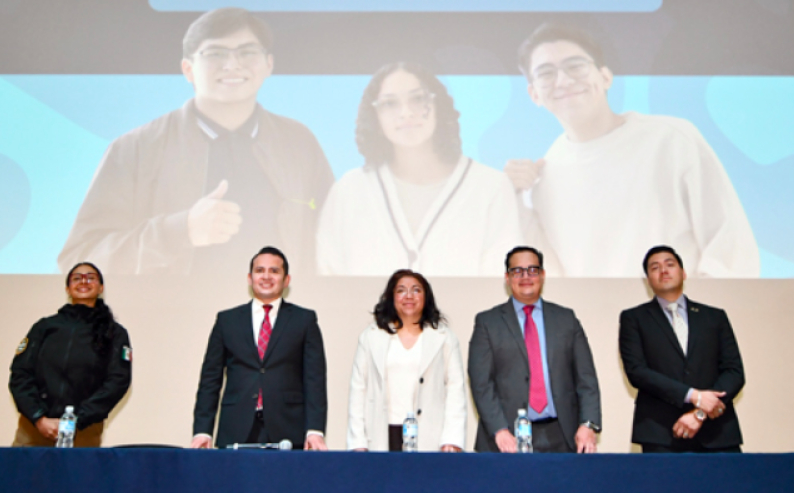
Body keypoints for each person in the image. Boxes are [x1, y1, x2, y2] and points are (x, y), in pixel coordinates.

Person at [58, 8, 334, 278]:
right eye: (215, 53)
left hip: (280, 320)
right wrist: (181, 230)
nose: (233, 65)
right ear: (188, 69)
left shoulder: (299, 143)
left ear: (269, 65)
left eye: (247, 52)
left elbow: (334, 240)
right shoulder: (135, 149)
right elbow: (80, 262)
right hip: (173, 319)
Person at [505, 23, 759, 277]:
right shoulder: (544, 178)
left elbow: (731, 248)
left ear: (605, 77)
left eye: (575, 66)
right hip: (597, 316)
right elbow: (552, 278)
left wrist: (692, 314)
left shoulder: (671, 139)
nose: (564, 80)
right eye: (546, 73)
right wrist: (509, 194)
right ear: (534, 94)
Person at [317, 61, 521, 276]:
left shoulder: (490, 187)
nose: (406, 113)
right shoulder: (349, 191)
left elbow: (500, 282)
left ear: (438, 106)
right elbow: (329, 274)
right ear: (375, 116)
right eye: (389, 104)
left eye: (417, 99)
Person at [191, 246, 327, 450]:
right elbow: (210, 380)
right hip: (236, 427)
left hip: (289, 429)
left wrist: (315, 430)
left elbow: (315, 380)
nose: (266, 276)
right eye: (260, 270)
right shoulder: (227, 321)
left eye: (274, 271)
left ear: (286, 280)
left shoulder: (304, 320)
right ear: (249, 277)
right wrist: (203, 430)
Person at [467, 246, 601, 453]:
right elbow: (481, 383)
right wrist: (499, 430)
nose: (525, 276)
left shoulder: (566, 319)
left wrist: (588, 423)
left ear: (543, 275)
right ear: (507, 278)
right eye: (517, 271)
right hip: (507, 438)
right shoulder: (487, 322)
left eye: (532, 270)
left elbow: (586, 378)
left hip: (564, 435)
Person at [619, 245, 745, 453]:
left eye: (670, 264)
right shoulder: (634, 318)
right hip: (661, 433)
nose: (664, 270)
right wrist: (693, 396)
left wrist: (699, 413)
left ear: (684, 273)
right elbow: (637, 372)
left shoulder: (714, 317)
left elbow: (734, 372)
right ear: (647, 279)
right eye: (655, 267)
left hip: (718, 433)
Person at [9, 262, 132, 447]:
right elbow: (20, 374)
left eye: (90, 277)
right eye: (76, 278)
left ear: (101, 287)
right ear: (68, 288)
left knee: (78, 477)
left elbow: (117, 381)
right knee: (21, 476)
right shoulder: (44, 327)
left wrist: (77, 419)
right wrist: (38, 417)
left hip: (83, 431)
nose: (84, 281)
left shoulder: (115, 333)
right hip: (34, 429)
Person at [347, 269, 466, 452]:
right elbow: (358, 389)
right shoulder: (371, 337)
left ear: (426, 297)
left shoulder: (444, 337)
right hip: (382, 433)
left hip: (430, 435)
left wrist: (452, 439)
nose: (409, 296)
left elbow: (455, 388)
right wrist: (358, 441)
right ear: (391, 297)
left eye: (416, 290)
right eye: (401, 290)